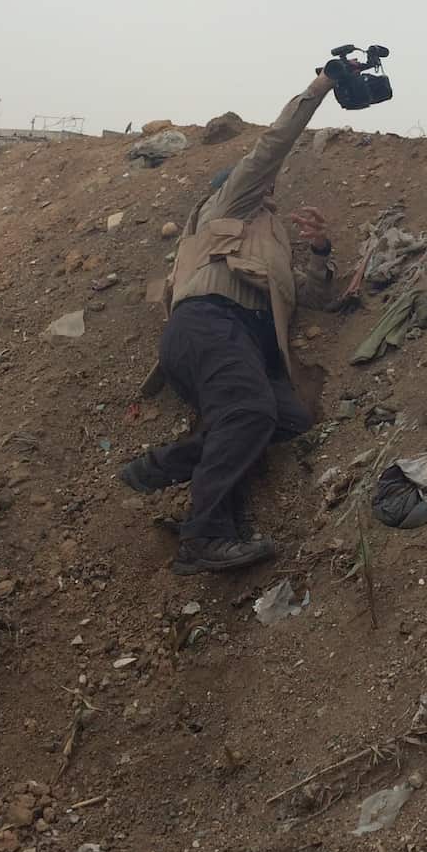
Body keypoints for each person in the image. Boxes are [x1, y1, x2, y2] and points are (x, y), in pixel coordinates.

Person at [119, 71, 339, 574]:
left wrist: (321, 250)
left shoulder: (271, 235)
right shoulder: (227, 205)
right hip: (207, 325)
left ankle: (169, 466)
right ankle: (204, 536)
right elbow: (269, 150)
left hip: (245, 344)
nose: (270, 189)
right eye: (262, 184)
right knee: (248, 413)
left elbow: (313, 297)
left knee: (286, 417)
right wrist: (319, 88)